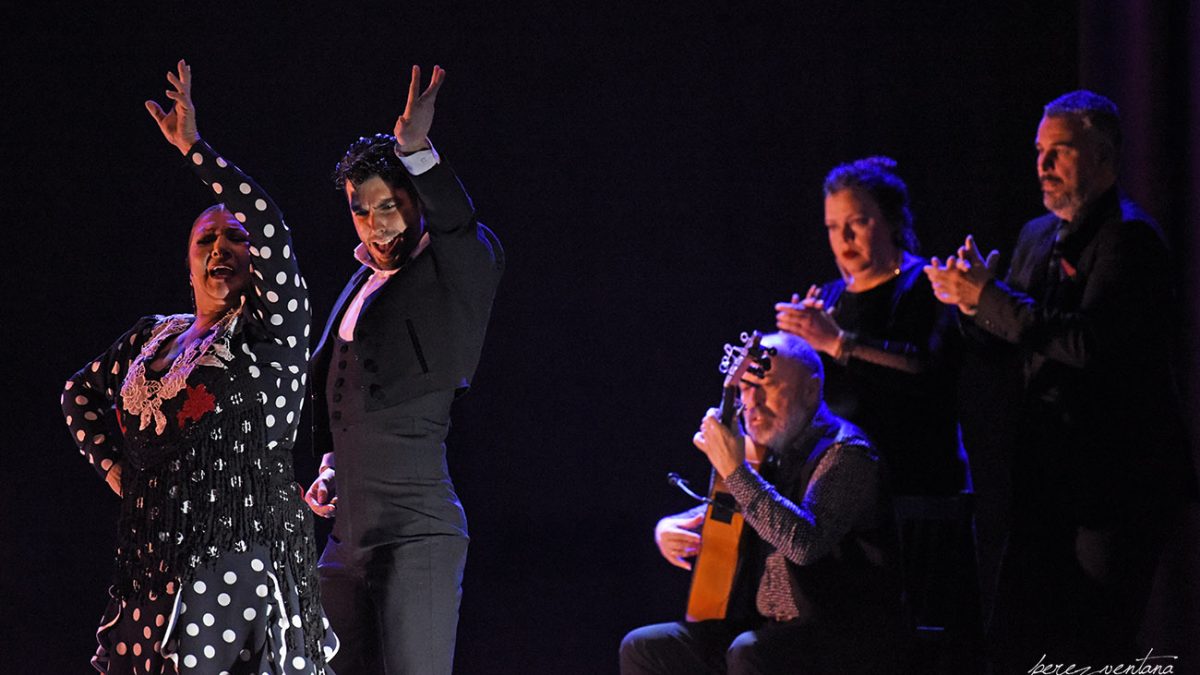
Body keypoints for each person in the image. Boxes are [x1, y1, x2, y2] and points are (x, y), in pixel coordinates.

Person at [62, 60, 336, 673]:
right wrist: (116, 471)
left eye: (234, 240)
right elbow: (77, 393)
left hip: (240, 550)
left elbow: (265, 220)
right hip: (154, 557)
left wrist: (193, 150)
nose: (221, 248)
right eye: (206, 241)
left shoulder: (272, 334)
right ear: (188, 262)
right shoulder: (153, 336)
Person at [925, 90, 1194, 671]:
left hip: (1118, 483)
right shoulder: (1034, 236)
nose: (1042, 165)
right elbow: (1006, 346)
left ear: (1103, 157)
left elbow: (1086, 343)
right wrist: (970, 307)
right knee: (1019, 639)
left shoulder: (1131, 239)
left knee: (1096, 647)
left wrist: (991, 299)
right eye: (1039, 151)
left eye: (1060, 151)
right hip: (1048, 478)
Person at [303, 65, 504, 674]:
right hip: (347, 540)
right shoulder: (361, 283)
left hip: (416, 531)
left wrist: (417, 152)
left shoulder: (456, 269)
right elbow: (344, 386)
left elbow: (458, 224)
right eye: (363, 212)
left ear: (414, 199)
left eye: (390, 205)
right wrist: (333, 464)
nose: (378, 223)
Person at [619, 332, 903, 675]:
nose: (750, 403)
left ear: (810, 390)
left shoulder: (848, 454)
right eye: (744, 389)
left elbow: (804, 542)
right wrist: (671, 526)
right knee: (644, 647)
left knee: (749, 651)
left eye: (766, 386)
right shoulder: (768, 452)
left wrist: (734, 471)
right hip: (770, 634)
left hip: (844, 637)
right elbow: (741, 508)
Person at [775, 156, 968, 497]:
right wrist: (793, 350)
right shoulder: (828, 297)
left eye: (858, 222)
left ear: (892, 221)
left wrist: (838, 343)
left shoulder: (926, 285)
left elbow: (928, 369)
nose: (844, 237)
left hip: (916, 483)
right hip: (841, 487)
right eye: (833, 226)